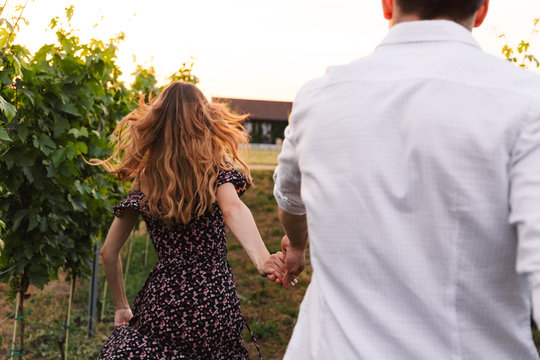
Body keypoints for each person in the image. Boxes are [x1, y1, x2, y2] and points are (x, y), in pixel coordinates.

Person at [273, 0, 540, 358]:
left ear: (387, 4)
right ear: (482, 10)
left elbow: (290, 200)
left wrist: (297, 245)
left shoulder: (318, 99)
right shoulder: (526, 101)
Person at [91, 81, 285, 359]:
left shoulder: (145, 179)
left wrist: (121, 306)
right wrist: (262, 258)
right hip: (215, 297)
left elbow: (109, 252)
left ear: (157, 122)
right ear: (203, 119)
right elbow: (233, 209)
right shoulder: (215, 166)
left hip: (165, 300)